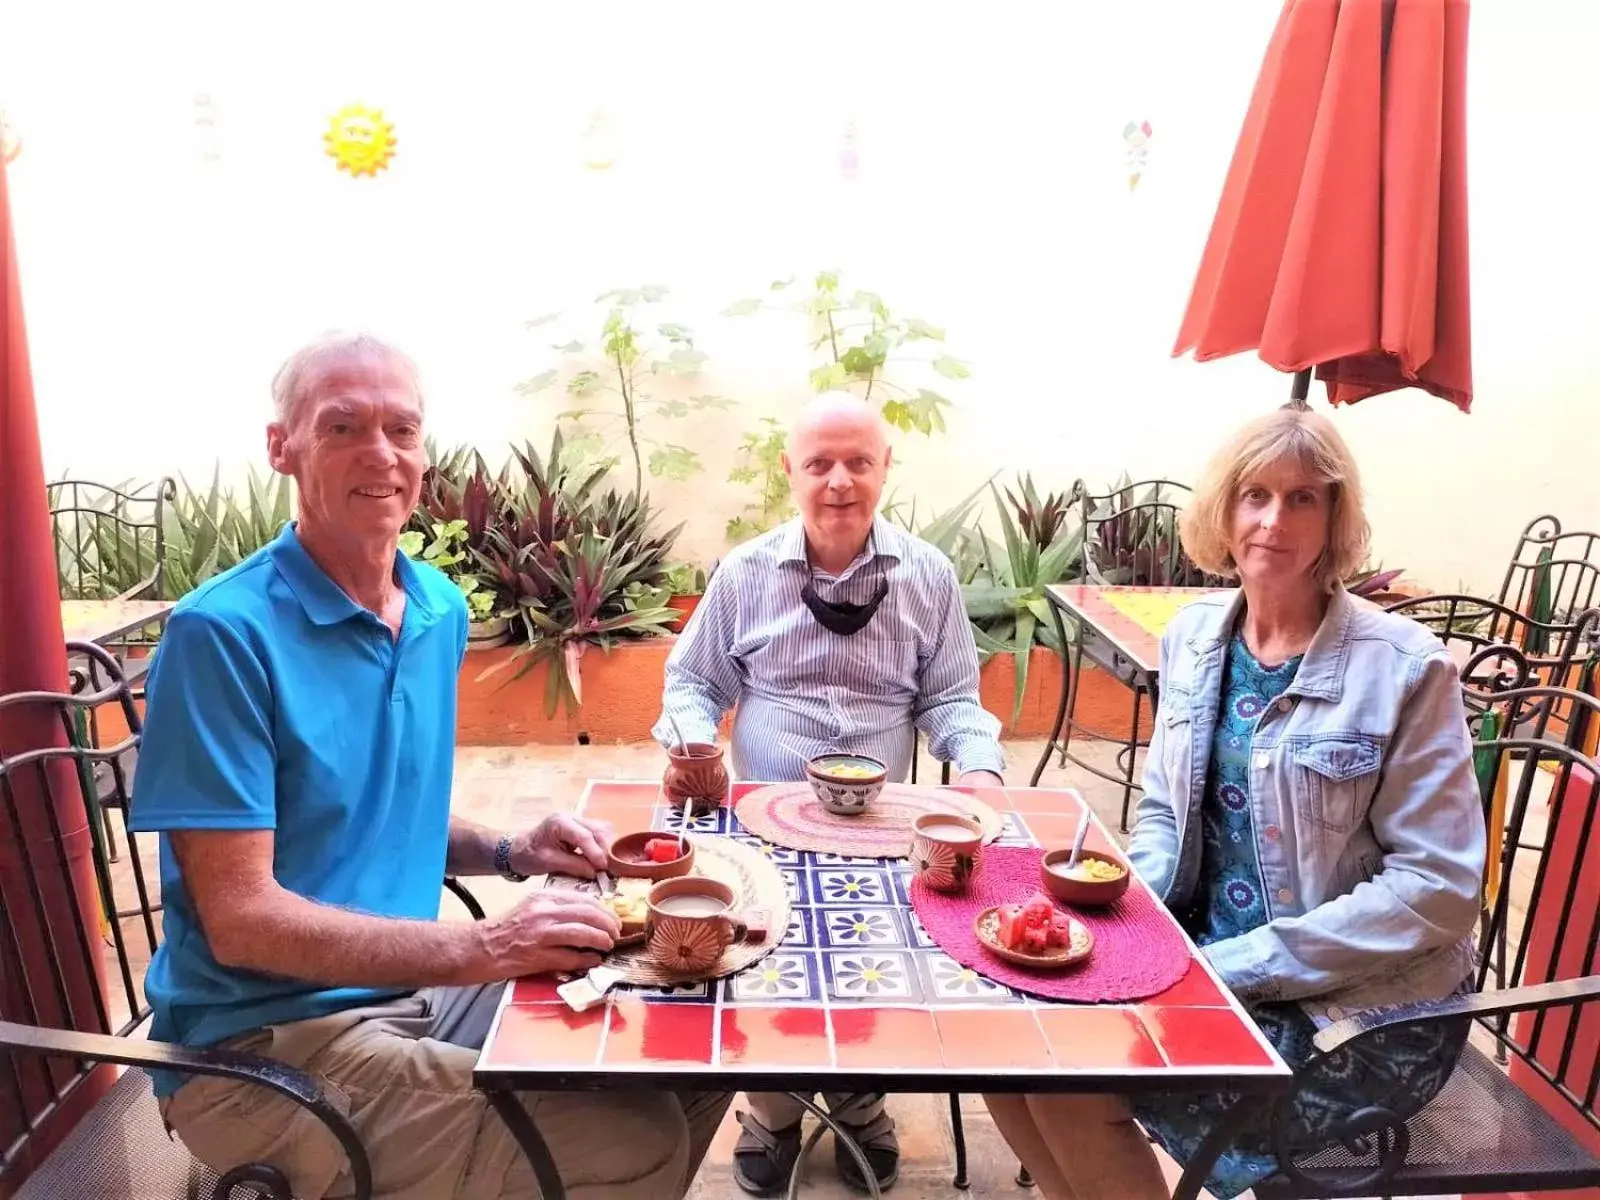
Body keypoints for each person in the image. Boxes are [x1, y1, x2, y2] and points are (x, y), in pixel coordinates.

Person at [128, 331, 729, 1200]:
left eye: (401, 430)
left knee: (683, 1053)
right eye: (342, 427)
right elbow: (242, 920)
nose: (381, 453)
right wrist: (488, 944)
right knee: (628, 1143)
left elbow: (371, 809)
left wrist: (513, 851)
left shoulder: (436, 610)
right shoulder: (221, 635)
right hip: (264, 1055)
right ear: (281, 447)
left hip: (406, 994)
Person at [984, 405, 1485, 1200]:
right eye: (1254, 495)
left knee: (1077, 1083)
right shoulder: (1193, 640)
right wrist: (1126, 927)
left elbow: (1440, 889)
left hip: (1353, 1015)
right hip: (1206, 963)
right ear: (1224, 509)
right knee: (1009, 1048)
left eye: (1302, 499)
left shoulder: (1405, 669)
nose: (1272, 520)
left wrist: (1234, 968)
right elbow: (1163, 815)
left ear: (1335, 518)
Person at [653, 392, 1007, 1196]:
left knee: (874, 953)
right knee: (752, 956)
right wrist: (693, 740)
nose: (839, 481)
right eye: (820, 464)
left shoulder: (928, 574)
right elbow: (691, 682)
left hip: (883, 824)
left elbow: (951, 698)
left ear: (886, 468)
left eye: (858, 462)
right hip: (761, 814)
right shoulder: (746, 572)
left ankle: (857, 1102)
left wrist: (979, 768)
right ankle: (771, 1112)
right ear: (791, 473)